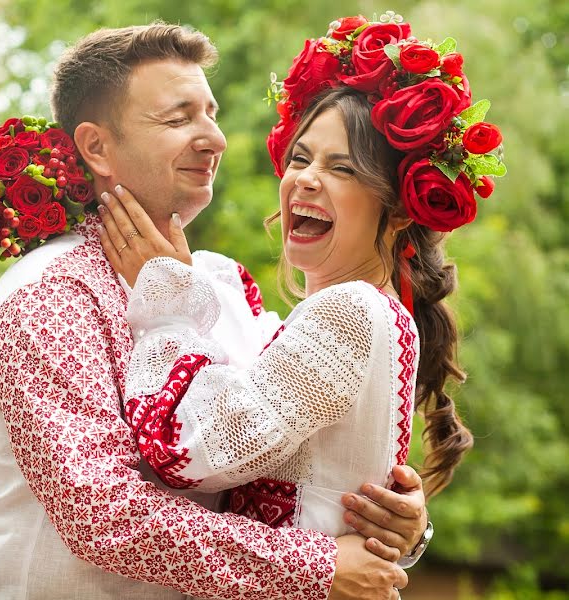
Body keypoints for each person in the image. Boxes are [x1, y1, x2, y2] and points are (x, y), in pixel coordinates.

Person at [0, 23, 429, 600]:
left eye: (210, 113)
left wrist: (395, 523)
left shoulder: (224, 284)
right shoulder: (47, 295)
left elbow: (293, 453)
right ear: (96, 147)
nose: (215, 137)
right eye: (179, 118)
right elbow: (103, 513)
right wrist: (317, 567)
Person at [97, 12, 496, 585]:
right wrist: (408, 535)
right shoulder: (362, 316)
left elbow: (185, 446)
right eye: (302, 158)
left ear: (403, 207)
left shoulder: (351, 313)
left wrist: (165, 300)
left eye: (342, 168)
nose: (306, 179)